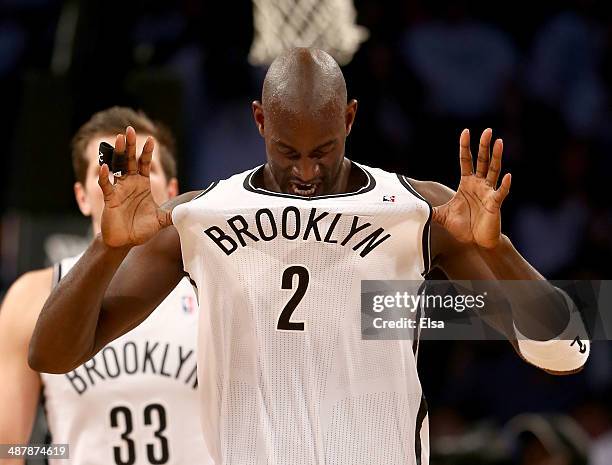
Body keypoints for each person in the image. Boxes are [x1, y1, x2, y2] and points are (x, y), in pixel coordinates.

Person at [28, 49, 589, 465]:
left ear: (349, 119)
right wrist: (105, 246)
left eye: (323, 150)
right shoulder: (199, 217)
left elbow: (568, 351)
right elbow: (51, 354)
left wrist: (499, 249)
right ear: (258, 120)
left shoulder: (421, 210)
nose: (305, 171)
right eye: (286, 151)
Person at [0, 107, 212, 465]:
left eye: (144, 168)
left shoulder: (208, 282)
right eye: (112, 168)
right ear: (83, 196)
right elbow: (8, 448)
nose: (124, 181)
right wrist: (62, 451)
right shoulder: (33, 294)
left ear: (173, 191)